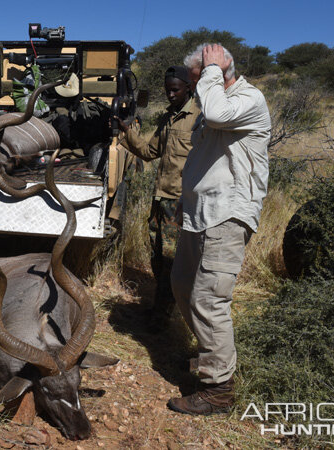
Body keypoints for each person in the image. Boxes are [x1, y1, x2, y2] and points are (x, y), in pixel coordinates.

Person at [166, 44, 271, 415]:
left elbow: (216, 112)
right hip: (200, 212)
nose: (195, 86)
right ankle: (212, 357)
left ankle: (218, 390)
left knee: (210, 300)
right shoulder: (212, 101)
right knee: (182, 286)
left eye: (197, 77)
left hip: (228, 215)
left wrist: (211, 69)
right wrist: (184, 198)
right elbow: (201, 157)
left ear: (219, 71)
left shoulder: (247, 100)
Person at [117, 66, 200, 327]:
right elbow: (149, 151)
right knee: (157, 256)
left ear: (189, 87)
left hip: (180, 201)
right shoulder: (168, 118)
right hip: (160, 198)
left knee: (172, 261)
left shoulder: (201, 117)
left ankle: (165, 315)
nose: (171, 95)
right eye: (167, 90)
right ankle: (161, 307)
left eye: (175, 89)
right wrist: (125, 131)